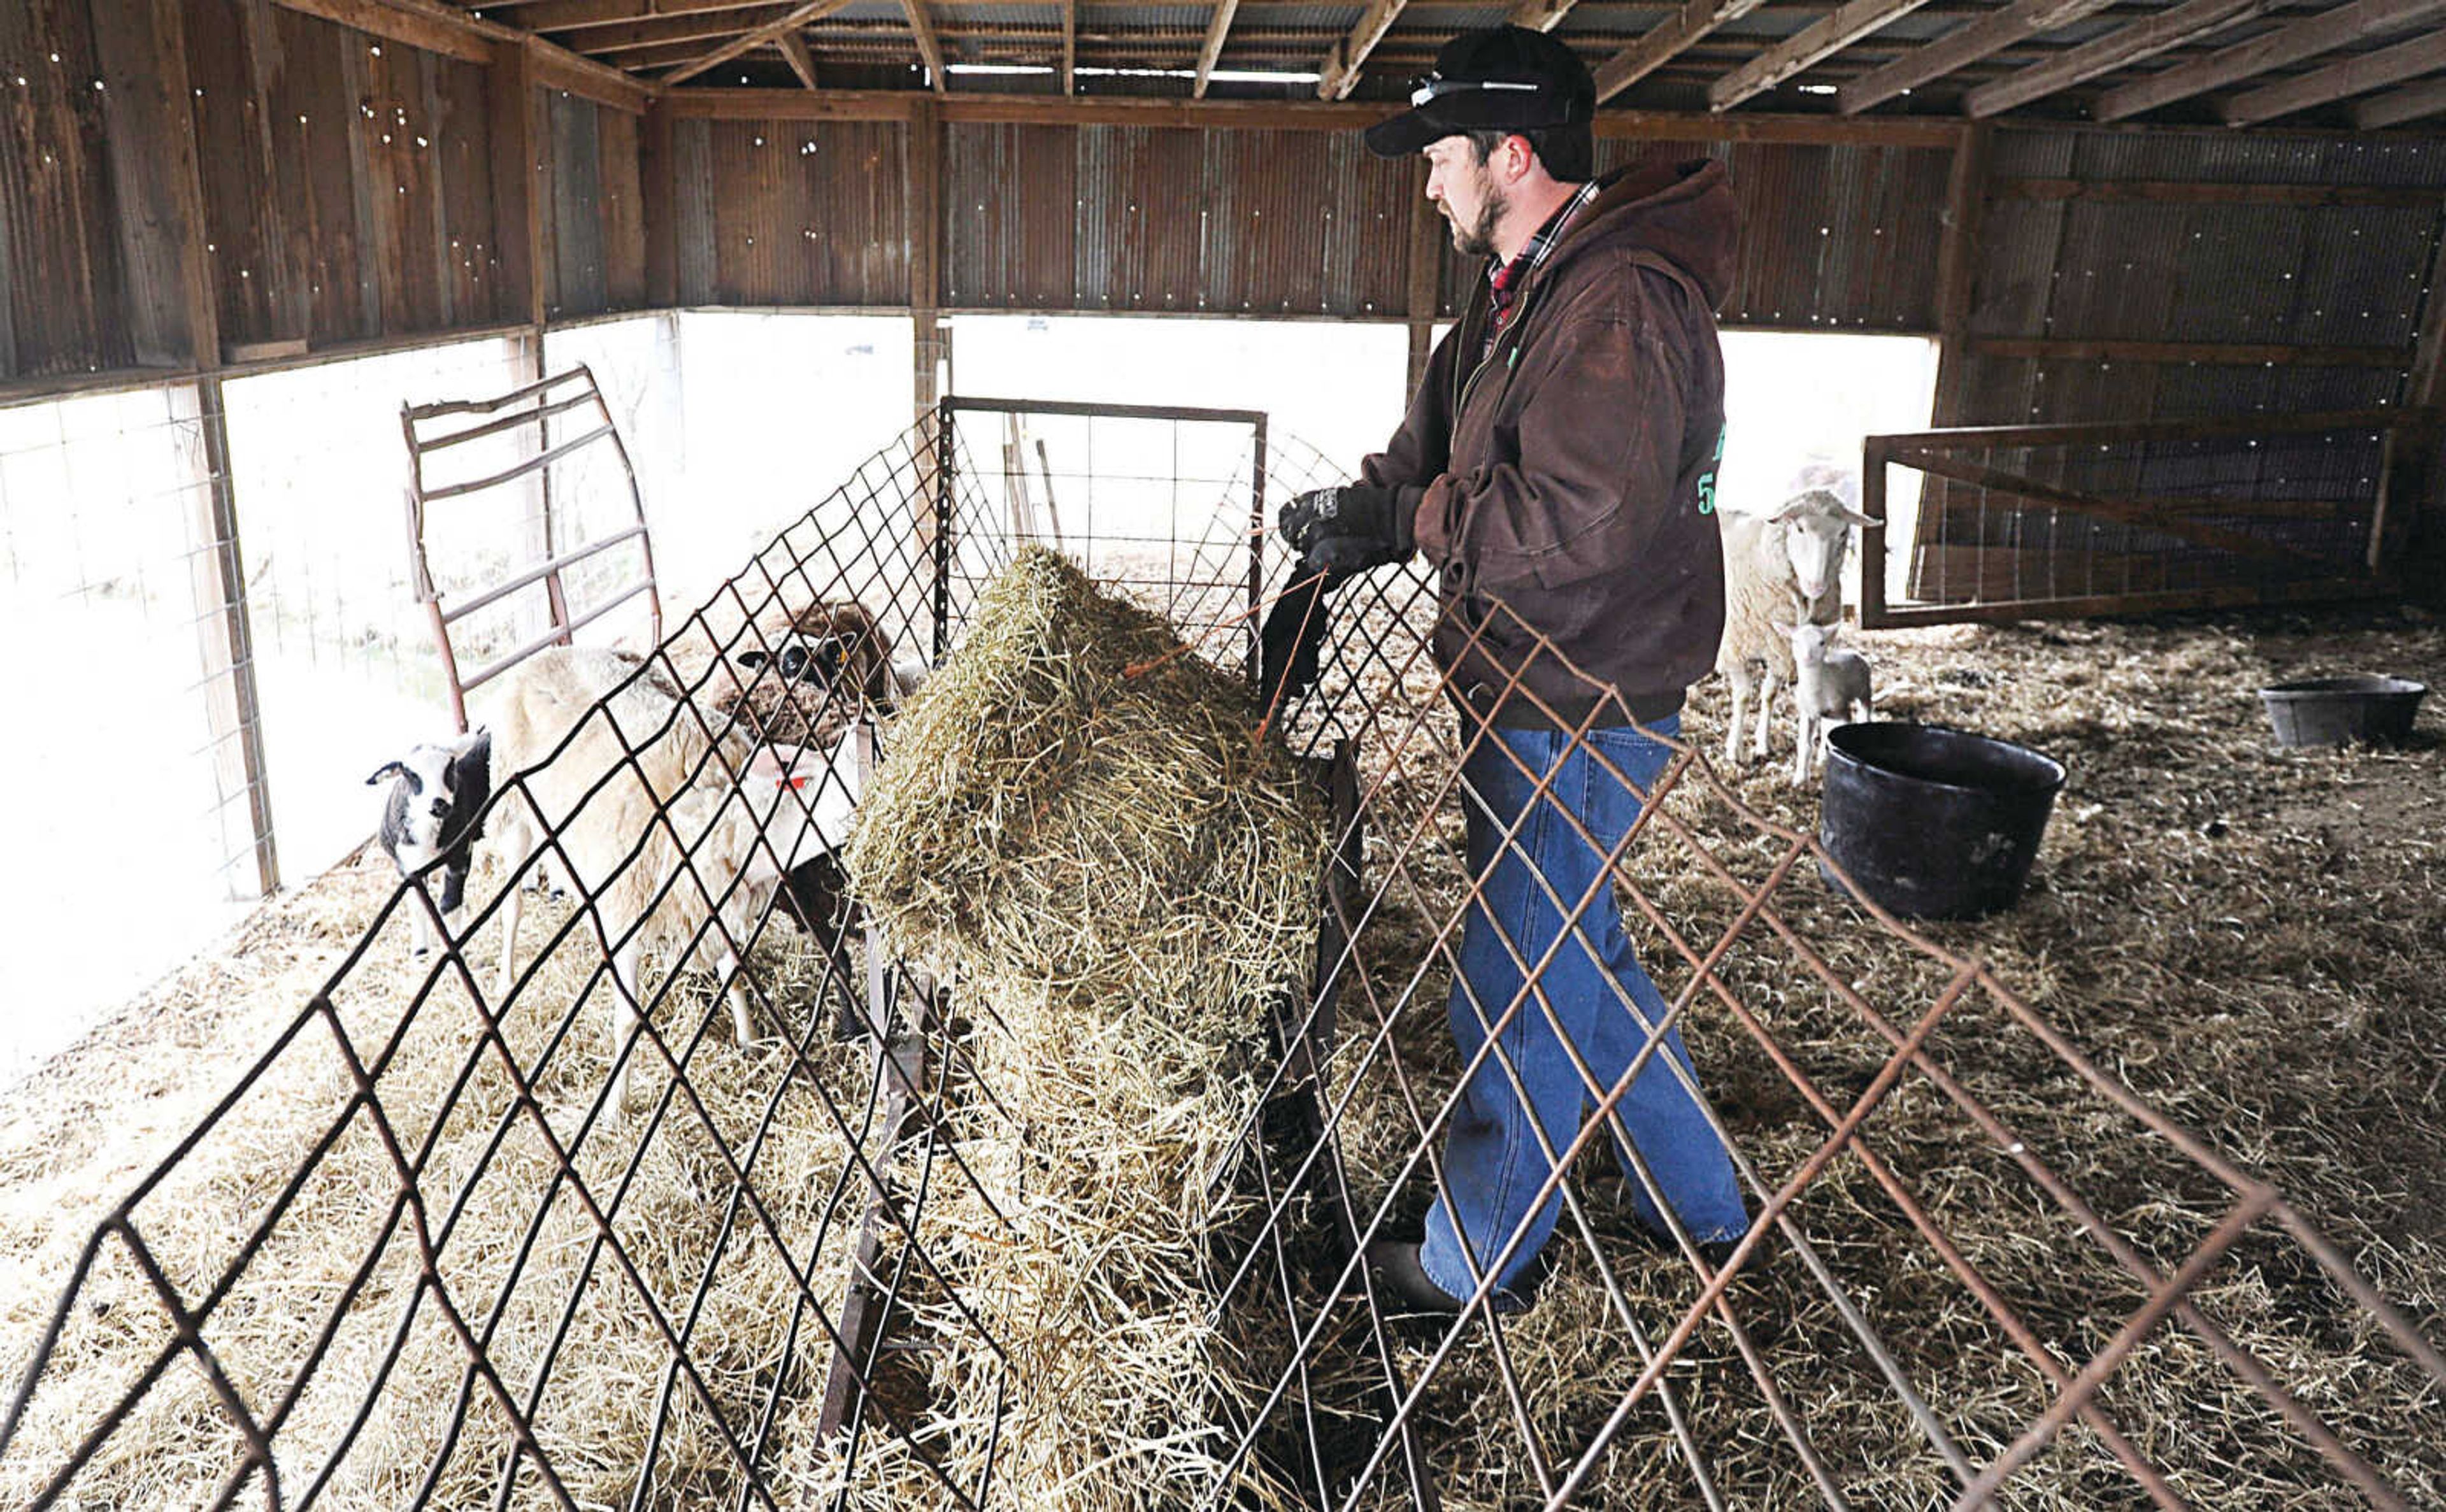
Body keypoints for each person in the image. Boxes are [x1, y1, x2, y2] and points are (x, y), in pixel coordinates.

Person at [1271, 24, 1749, 1315]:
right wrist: (1342, 534)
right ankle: (1702, 1206)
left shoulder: (1620, 302)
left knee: (1520, 973)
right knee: (1578, 955)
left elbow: (1581, 521)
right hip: (1531, 679)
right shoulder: (1520, 289)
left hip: (1584, 694)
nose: (1428, 183)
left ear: (1513, 154)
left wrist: (1413, 527)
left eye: (1440, 156)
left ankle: (1472, 1257)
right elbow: (1432, 450)